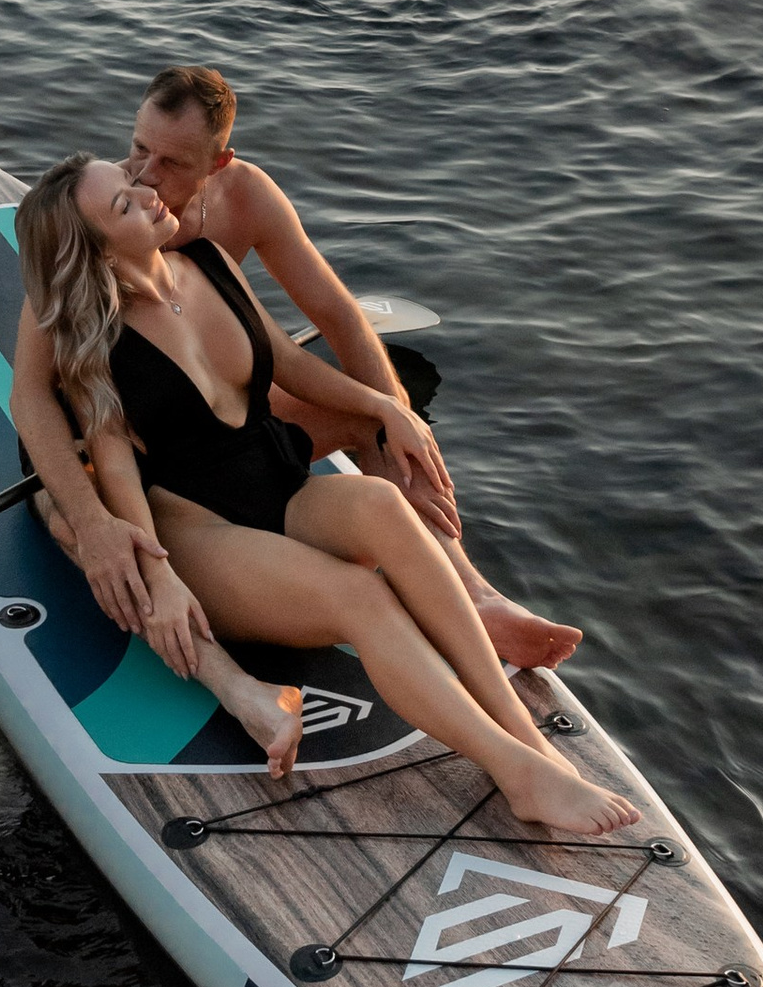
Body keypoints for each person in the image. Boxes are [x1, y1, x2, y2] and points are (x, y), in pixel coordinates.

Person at [10, 154, 638, 842]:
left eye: (133, 184)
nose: (147, 194)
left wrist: (385, 406)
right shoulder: (94, 339)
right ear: (98, 250)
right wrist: (158, 573)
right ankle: (514, 773)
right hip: (199, 526)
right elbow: (115, 466)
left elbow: (288, 361)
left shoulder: (208, 261)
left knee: (383, 505)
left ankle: (530, 742)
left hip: (275, 481)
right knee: (359, 595)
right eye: (124, 205)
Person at [122, 63, 583, 675]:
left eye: (173, 162)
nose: (146, 175)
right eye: (139, 149)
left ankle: (473, 593)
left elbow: (338, 313)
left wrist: (402, 419)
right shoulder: (115, 216)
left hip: (238, 414)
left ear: (218, 163)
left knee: (375, 422)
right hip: (167, 450)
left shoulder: (246, 195)